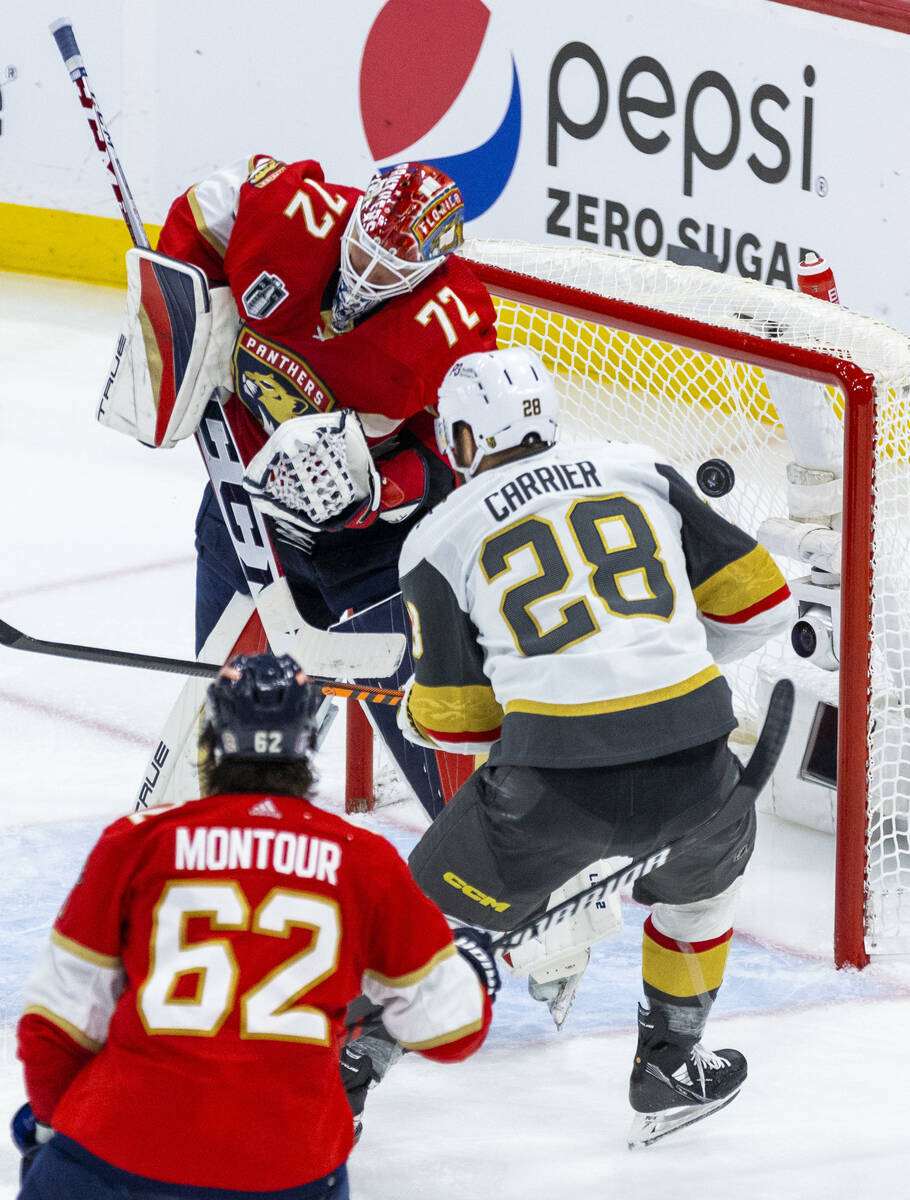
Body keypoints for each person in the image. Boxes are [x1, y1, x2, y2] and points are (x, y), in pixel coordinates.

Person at [366, 346, 793, 1146]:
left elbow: (460, 724)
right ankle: (671, 1060)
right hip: (701, 777)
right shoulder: (639, 467)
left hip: (549, 798)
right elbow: (765, 604)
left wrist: (452, 703)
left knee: (413, 924)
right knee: (703, 894)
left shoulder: (437, 537)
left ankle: (340, 1082)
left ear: (461, 442)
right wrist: (651, 657)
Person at [12, 653, 499, 1197]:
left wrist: (56, 1126)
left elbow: (56, 1023)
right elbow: (450, 1033)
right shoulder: (364, 860)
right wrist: (471, 971)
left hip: (121, 1153)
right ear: (307, 748)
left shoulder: (135, 843)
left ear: (213, 742)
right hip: (288, 1170)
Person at [153, 155, 497, 651]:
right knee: (225, 705)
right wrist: (179, 320)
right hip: (245, 502)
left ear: (427, 270)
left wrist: (382, 490)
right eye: (360, 252)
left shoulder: (451, 325)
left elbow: (461, 449)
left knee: (417, 724)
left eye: (388, 271)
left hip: (370, 552)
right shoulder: (293, 214)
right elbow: (204, 210)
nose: (363, 276)